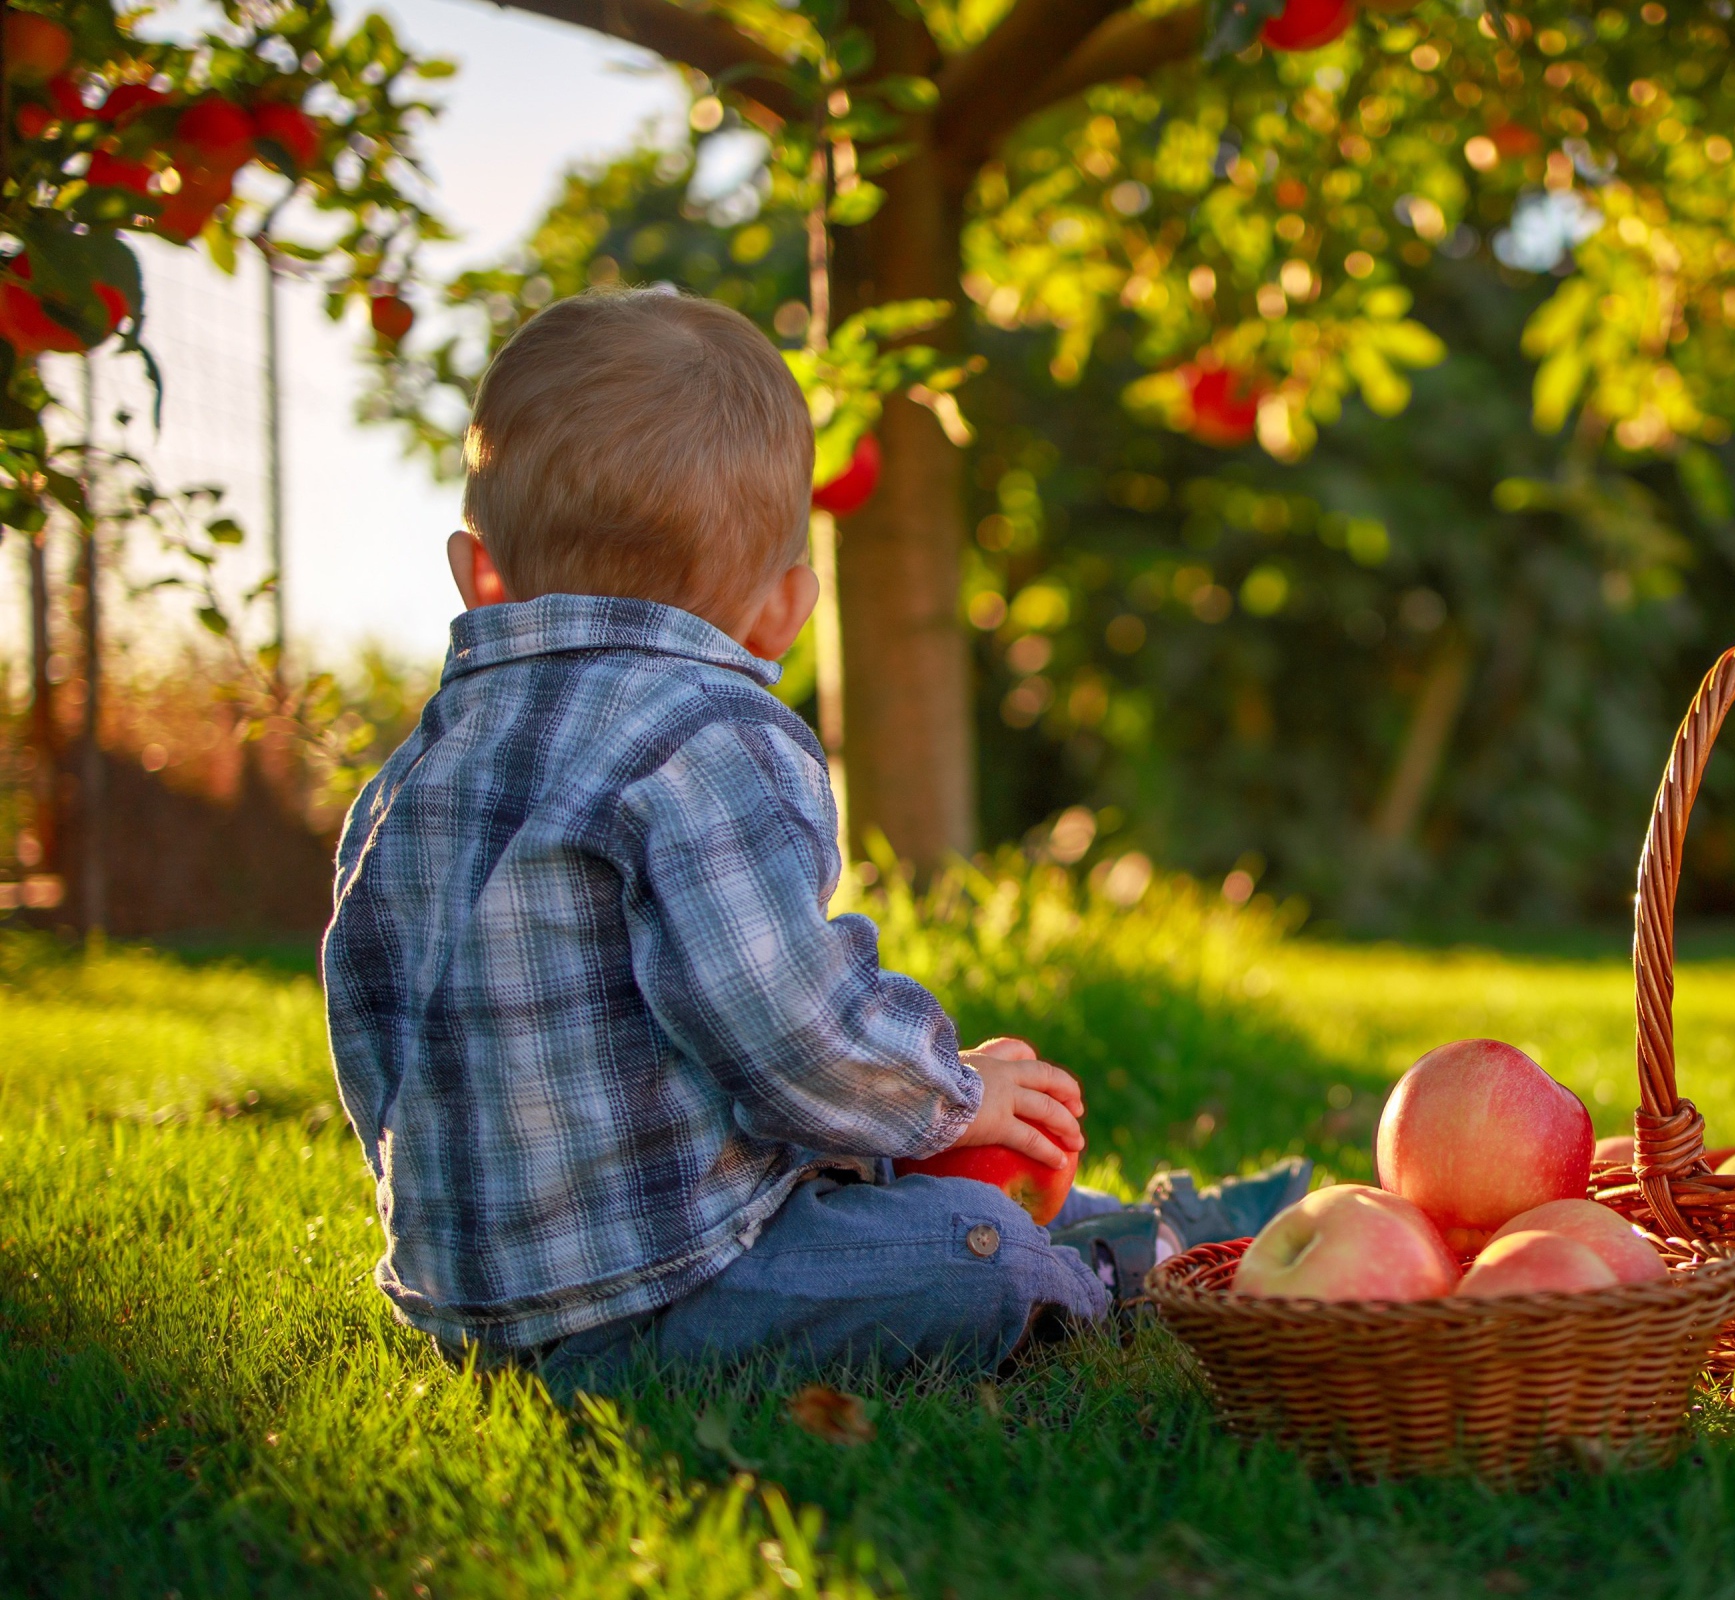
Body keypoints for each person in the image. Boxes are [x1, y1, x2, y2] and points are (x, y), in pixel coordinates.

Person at [320, 287, 1304, 1380]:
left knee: (881, 1175)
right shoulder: (705, 737)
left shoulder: (408, 780)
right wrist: (956, 1092)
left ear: (479, 574)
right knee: (968, 1254)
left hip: (465, 1309)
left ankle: (1145, 1224)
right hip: (669, 1293)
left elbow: (371, 1043)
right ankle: (1134, 1265)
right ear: (785, 608)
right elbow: (792, 1032)